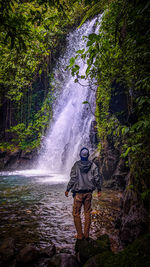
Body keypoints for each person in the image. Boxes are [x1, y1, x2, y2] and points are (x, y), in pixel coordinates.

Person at [65, 147, 101, 240]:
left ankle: (80, 235)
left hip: (78, 194)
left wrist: (68, 189)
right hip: (88, 193)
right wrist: (99, 189)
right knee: (87, 213)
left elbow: (73, 178)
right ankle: (86, 234)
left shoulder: (76, 165)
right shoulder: (93, 166)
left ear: (80, 155)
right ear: (88, 156)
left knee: (76, 213)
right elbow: (97, 178)